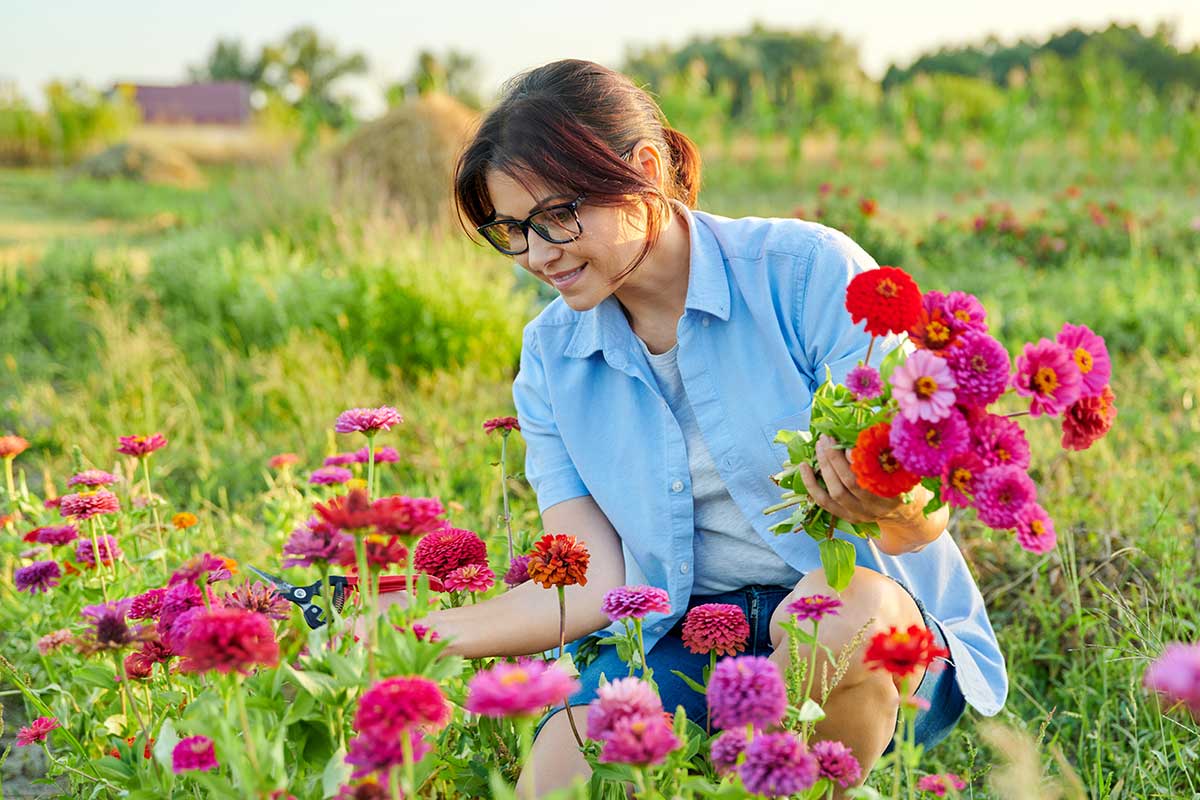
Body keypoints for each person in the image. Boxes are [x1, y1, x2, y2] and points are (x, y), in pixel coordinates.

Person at [420, 58, 1007, 797]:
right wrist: (419, 636)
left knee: (833, 615)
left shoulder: (806, 274)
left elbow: (921, 523)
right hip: (693, 636)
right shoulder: (551, 360)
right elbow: (593, 579)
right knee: (559, 772)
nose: (538, 254)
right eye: (513, 230)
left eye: (557, 217)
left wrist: (888, 502)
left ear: (641, 170)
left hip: (875, 636)